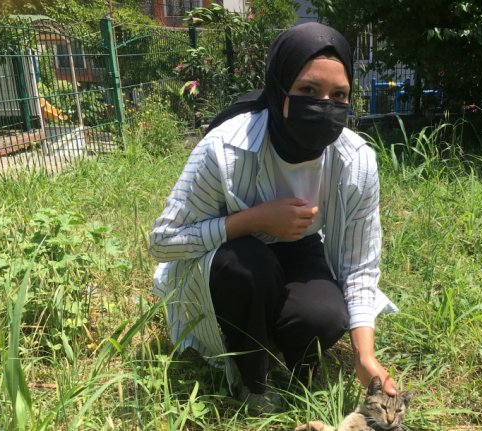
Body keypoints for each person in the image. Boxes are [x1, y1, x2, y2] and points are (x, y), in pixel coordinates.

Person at [148, 22, 398, 410]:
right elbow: (163, 240)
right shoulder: (224, 147)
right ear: (280, 87)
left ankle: (277, 344)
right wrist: (255, 220)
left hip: (299, 248)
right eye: (308, 91)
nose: (324, 105)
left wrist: (364, 355)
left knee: (326, 316)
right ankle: (251, 380)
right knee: (248, 268)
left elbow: (360, 266)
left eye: (340, 95)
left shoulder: (356, 162)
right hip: (234, 254)